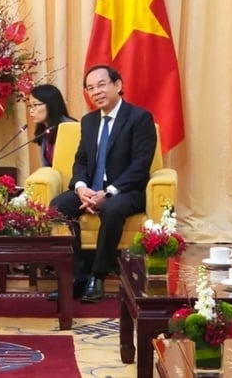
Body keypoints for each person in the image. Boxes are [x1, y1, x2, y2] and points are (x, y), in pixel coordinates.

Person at [50, 65, 156, 303]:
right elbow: (81, 161)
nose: (96, 92)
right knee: (58, 206)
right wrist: (81, 188)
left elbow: (140, 166)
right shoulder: (88, 122)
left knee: (112, 208)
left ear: (118, 86)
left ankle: (97, 276)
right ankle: (77, 276)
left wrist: (107, 193)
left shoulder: (139, 118)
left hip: (126, 190)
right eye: (90, 88)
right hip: (91, 189)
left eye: (101, 85)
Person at [28, 84, 76, 166]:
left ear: (51, 104)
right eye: (30, 106)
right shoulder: (45, 131)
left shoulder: (70, 128)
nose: (31, 111)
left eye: (35, 105)